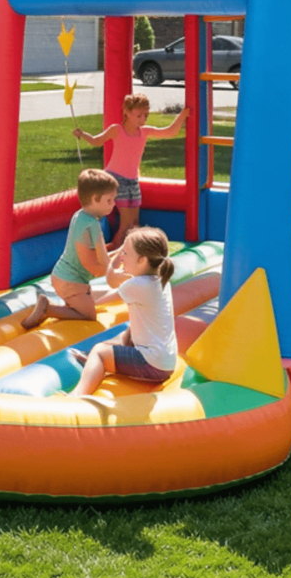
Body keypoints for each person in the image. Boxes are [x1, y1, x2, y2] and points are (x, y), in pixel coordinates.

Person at [69, 227, 178, 396]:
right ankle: (93, 359)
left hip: (152, 364)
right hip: (165, 361)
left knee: (99, 351)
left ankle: (77, 396)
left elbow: (102, 298)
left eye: (125, 253)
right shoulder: (159, 278)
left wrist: (75, 293)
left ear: (142, 260)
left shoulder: (139, 285)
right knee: (127, 332)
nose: (121, 256)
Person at [73, 94, 188, 247]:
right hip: (116, 179)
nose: (143, 119)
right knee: (126, 225)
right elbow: (97, 141)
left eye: (146, 115)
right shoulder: (117, 130)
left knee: (135, 225)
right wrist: (82, 134)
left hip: (133, 181)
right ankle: (111, 256)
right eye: (139, 115)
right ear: (126, 112)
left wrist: (183, 114)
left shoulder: (144, 131)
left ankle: (129, 254)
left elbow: (169, 131)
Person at [22, 169, 118, 328]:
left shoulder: (80, 215)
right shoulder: (92, 225)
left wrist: (116, 256)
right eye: (109, 200)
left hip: (63, 276)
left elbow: (98, 255)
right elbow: (91, 264)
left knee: (88, 299)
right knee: (89, 315)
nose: (114, 204)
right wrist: (111, 272)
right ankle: (49, 309)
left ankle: (68, 305)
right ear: (95, 199)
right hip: (71, 282)